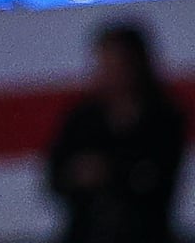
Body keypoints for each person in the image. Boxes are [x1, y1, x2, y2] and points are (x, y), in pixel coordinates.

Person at [48, 20, 184, 243]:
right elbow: (54, 177)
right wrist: (77, 175)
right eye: (105, 64)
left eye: (118, 64)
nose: (111, 73)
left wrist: (109, 172)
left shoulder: (163, 117)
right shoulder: (82, 119)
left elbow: (158, 176)